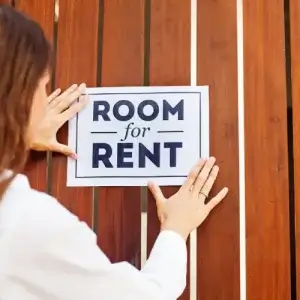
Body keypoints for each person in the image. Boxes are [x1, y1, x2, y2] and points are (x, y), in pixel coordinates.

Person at [0, 5, 229, 300]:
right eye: (43, 87)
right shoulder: (25, 219)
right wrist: (175, 229)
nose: (46, 100)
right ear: (18, 95)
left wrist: (20, 137)